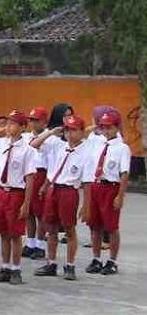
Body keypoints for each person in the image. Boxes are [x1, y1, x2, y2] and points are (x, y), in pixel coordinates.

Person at [30, 115, 90, 280]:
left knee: (69, 229)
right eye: (67, 130)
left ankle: (70, 265)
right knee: (51, 228)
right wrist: (51, 132)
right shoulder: (58, 145)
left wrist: (86, 206)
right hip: (53, 189)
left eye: (74, 130)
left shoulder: (86, 152)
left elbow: (88, 182)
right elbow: (34, 144)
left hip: (69, 191)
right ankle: (51, 263)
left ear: (82, 132)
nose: (70, 134)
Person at [0, 110, 37, 285]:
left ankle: (16, 268)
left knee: (15, 234)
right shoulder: (1, 143)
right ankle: (5, 266)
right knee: (3, 232)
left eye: (13, 124)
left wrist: (26, 204)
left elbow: (30, 178)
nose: (9, 127)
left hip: (16, 193)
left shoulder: (27, 150)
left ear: (22, 127)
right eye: (8, 123)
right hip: (1, 192)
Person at [84, 110, 129, 276]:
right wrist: (95, 127)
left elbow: (124, 173)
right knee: (94, 225)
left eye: (109, 127)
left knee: (111, 226)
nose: (106, 130)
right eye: (103, 127)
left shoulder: (122, 148)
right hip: (96, 186)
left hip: (111, 187)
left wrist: (120, 195)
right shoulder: (97, 143)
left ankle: (112, 261)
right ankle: (96, 258)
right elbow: (82, 136)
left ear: (117, 127)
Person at [23, 107, 52, 261]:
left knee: (41, 213)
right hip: (28, 174)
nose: (33, 123)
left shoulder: (51, 138)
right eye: (31, 120)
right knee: (29, 212)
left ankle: (40, 245)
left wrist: (46, 183)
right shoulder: (25, 136)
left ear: (44, 122)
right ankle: (30, 242)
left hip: (42, 174)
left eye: (37, 120)